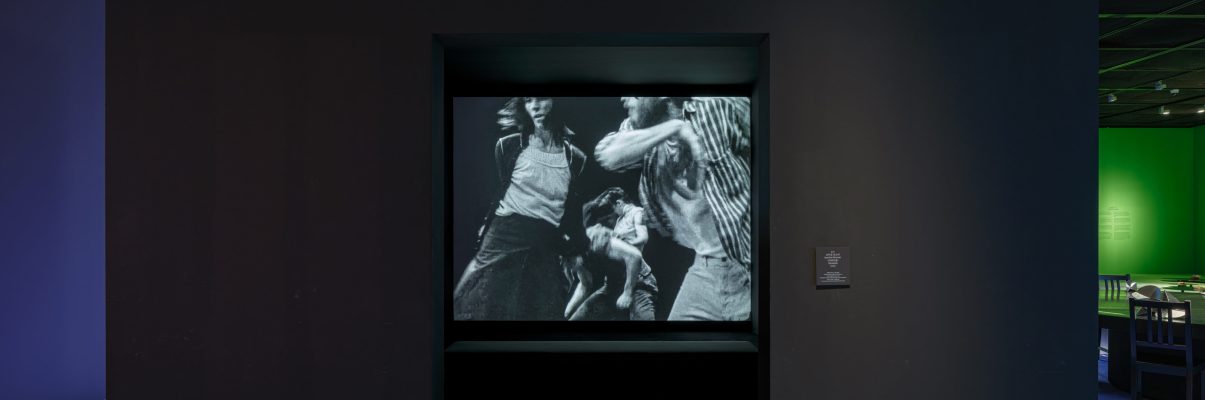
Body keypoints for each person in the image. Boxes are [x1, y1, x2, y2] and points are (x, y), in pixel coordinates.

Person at [594, 97, 751, 321]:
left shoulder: (716, 106)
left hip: (749, 265)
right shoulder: (643, 128)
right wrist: (674, 127)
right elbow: (607, 155)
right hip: (706, 269)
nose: (623, 98)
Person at [453, 97, 588, 321]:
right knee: (479, 310)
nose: (534, 106)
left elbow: (572, 211)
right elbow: (498, 194)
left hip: (544, 246)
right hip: (503, 238)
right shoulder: (508, 146)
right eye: (528, 100)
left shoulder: (575, 158)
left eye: (541, 98)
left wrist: (577, 249)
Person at [564, 188, 658, 321]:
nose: (571, 267)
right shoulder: (574, 259)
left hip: (638, 282)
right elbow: (585, 285)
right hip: (613, 285)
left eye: (570, 262)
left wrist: (627, 293)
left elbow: (635, 256)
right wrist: (567, 312)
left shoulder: (596, 239)